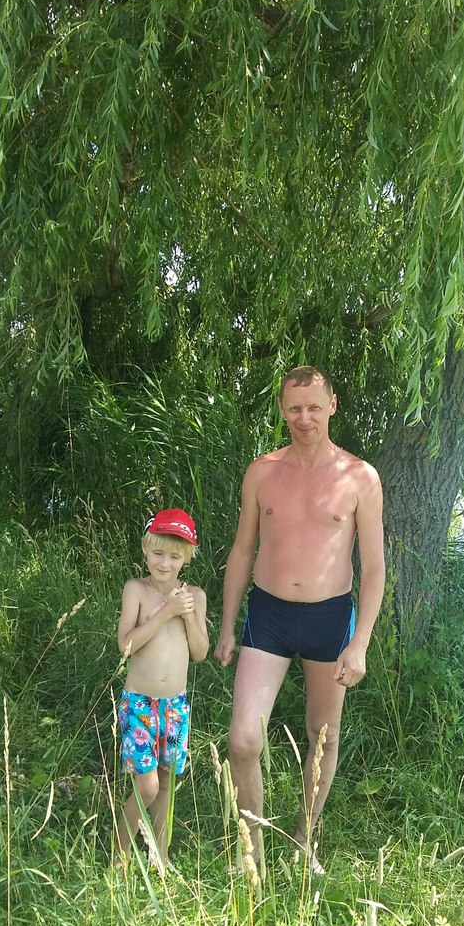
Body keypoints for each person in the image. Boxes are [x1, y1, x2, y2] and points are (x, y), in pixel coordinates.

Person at [214, 366, 385, 873]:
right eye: (294, 408)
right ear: (282, 410)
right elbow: (242, 551)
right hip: (268, 614)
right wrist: (226, 626)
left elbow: (374, 568)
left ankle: (305, 838)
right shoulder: (262, 471)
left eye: (313, 407)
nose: (304, 418)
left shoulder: (361, 477)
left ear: (332, 405)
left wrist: (360, 643)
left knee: (322, 735)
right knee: (243, 739)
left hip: (330, 618)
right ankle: (251, 851)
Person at [115, 508, 208, 870]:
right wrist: (166, 612)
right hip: (139, 703)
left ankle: (160, 855)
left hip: (175, 706)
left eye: (174, 556)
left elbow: (200, 653)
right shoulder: (136, 590)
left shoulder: (195, 596)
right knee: (148, 786)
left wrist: (186, 613)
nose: (164, 563)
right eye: (157, 553)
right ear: (145, 549)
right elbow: (126, 645)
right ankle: (120, 856)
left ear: (187, 557)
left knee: (167, 784)